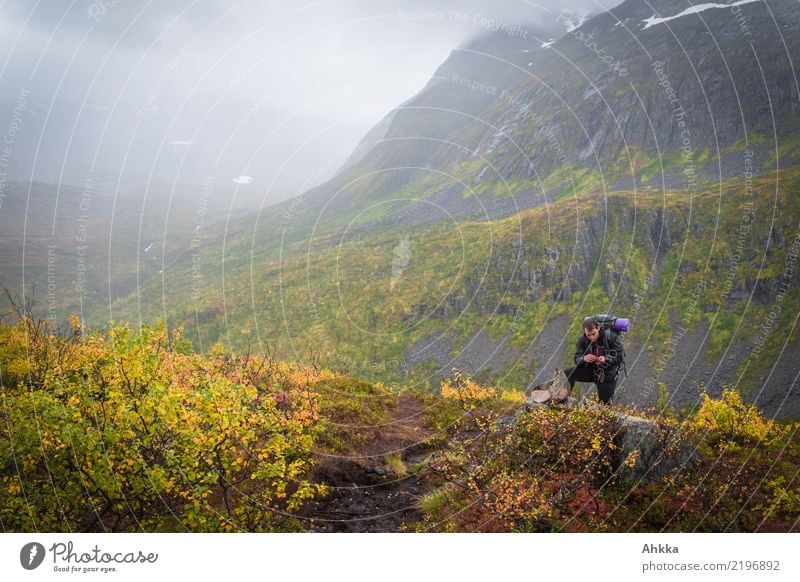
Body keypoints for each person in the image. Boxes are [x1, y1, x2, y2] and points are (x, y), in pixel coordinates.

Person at [563, 317, 623, 405]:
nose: (591, 337)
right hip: (591, 370)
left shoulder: (612, 338)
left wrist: (605, 359)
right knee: (568, 373)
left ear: (598, 328)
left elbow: (618, 358)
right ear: (584, 331)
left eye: (594, 334)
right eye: (588, 335)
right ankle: (564, 401)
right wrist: (584, 359)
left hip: (607, 375)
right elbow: (577, 358)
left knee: (605, 406)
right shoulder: (582, 340)